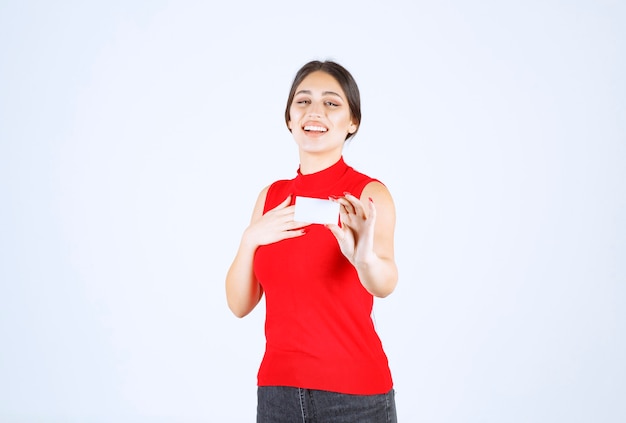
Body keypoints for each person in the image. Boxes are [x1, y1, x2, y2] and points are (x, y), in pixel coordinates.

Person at [225, 60, 399, 422]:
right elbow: (240, 305)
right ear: (289, 118)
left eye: (332, 103)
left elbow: (384, 284)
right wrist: (249, 240)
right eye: (303, 101)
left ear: (353, 122)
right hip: (277, 394)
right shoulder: (271, 198)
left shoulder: (368, 194)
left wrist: (363, 258)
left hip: (354, 397)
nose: (315, 111)